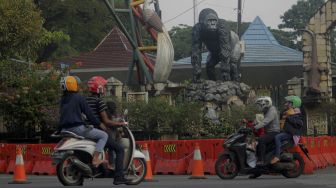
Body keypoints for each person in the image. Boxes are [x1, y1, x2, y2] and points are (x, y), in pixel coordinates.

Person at [86, 76, 130, 185]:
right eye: (103, 86)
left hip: (85, 130)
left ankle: (104, 167)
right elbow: (107, 122)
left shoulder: (85, 100)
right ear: (99, 88)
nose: (104, 89)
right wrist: (121, 123)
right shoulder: (99, 102)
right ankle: (119, 176)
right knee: (119, 149)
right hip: (97, 131)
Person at [58, 76, 108, 167]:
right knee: (103, 135)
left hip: (64, 129)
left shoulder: (63, 99)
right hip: (77, 128)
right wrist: (100, 124)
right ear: (73, 85)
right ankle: (96, 159)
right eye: (77, 85)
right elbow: (89, 114)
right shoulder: (79, 98)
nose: (79, 86)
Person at [271, 96, 303, 164]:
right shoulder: (287, 112)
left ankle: (277, 156)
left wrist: (288, 117)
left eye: (288, 103)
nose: (286, 104)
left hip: (292, 134)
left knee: (278, 137)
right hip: (286, 132)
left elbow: (300, 123)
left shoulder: (296, 113)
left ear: (293, 104)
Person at [253, 96, 280, 166]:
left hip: (274, 132)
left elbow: (265, 121)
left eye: (260, 105)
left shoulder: (272, 110)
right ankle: (257, 164)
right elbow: (260, 121)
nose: (259, 106)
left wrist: (255, 127)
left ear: (264, 104)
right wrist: (253, 124)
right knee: (257, 141)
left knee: (261, 140)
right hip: (269, 132)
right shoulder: (266, 111)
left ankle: (261, 160)